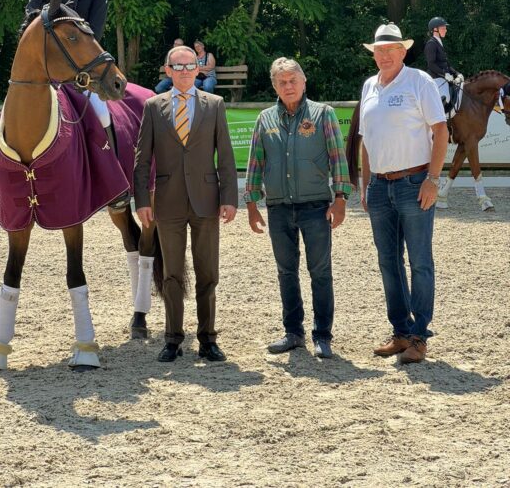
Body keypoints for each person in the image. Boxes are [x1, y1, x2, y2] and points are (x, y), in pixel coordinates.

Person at [134, 45, 238, 363]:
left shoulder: (215, 105)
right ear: (167, 71)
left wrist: (230, 198)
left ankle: (207, 339)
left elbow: (227, 156)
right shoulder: (153, 107)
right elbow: (141, 159)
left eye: (188, 65)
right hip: (167, 203)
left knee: (208, 274)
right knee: (172, 275)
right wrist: (141, 200)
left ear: (198, 69)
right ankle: (172, 338)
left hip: (207, 201)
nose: (183, 71)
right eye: (176, 66)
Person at [245, 57, 352, 359]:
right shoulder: (264, 119)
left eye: (293, 80)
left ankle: (322, 335)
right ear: (274, 86)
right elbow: (255, 162)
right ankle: (293, 333)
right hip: (278, 208)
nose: (288, 86)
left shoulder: (323, 115)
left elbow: (337, 158)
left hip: (316, 206)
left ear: (304, 82)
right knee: (285, 271)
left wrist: (341, 197)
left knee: (320, 271)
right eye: (282, 82)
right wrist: (251, 202)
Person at [360, 23, 448, 364]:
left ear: (402, 52)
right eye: (378, 51)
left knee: (420, 261)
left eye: (389, 50)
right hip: (380, 185)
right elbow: (366, 140)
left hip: (414, 182)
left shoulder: (419, 82)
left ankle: (419, 335)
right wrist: (367, 182)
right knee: (388, 261)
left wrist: (433, 179)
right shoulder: (370, 85)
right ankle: (399, 331)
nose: (383, 55)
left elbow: (440, 131)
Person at [26, 0, 127, 210]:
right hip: (46, 66)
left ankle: (115, 181)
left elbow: (94, 32)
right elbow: (30, 20)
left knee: (104, 115)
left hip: (81, 69)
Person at [424, 17, 464, 113]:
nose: (445, 30)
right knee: (446, 97)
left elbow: (446, 64)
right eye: (443, 28)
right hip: (435, 78)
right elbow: (431, 64)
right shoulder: (431, 44)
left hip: (444, 77)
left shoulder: (439, 43)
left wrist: (457, 73)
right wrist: (444, 74)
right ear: (435, 29)